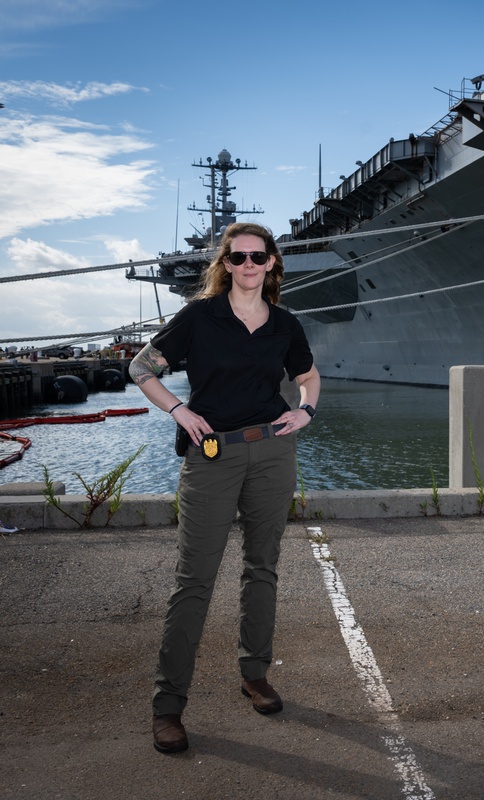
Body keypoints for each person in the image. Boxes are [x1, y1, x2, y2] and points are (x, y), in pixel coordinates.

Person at [129, 222, 320, 755]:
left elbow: (308, 376)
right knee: (195, 580)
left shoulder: (284, 323)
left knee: (263, 567)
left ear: (273, 263)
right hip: (212, 453)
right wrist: (180, 409)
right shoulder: (200, 317)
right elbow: (141, 367)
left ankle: (255, 674)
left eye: (258, 256)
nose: (249, 265)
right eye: (238, 258)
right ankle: (168, 707)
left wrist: (306, 410)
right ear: (225, 264)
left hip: (273, 449)